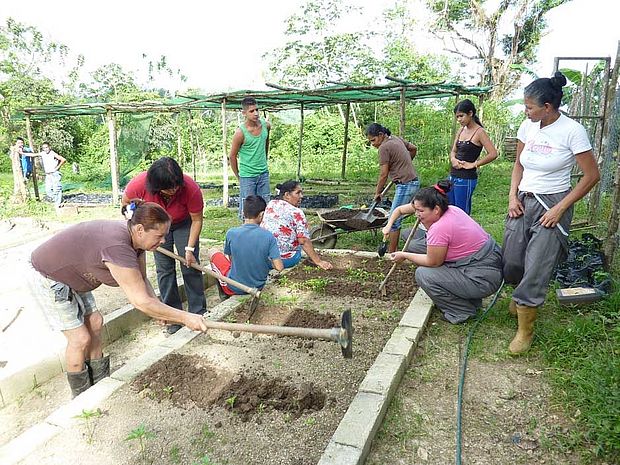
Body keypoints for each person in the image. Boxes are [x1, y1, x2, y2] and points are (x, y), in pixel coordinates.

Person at [29, 200, 208, 398]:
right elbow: (139, 301)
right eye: (160, 235)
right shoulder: (117, 246)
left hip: (76, 274)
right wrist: (185, 317)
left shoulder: (136, 241)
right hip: (50, 276)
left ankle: (100, 384)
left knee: (95, 323)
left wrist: (158, 308)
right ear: (140, 229)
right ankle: (81, 398)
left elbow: (141, 280)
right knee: (80, 338)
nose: (164, 241)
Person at [502, 72, 600, 354]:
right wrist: (512, 196)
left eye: (530, 106)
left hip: (553, 202)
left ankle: (525, 329)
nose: (526, 111)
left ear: (548, 107)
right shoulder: (527, 126)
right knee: (511, 259)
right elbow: (519, 165)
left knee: (538, 264)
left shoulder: (572, 131)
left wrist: (560, 208)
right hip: (524, 199)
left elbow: (591, 176)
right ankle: (519, 294)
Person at [382, 180, 503, 324]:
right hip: (482, 263)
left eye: (421, 211)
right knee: (413, 242)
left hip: (483, 277)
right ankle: (468, 297)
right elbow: (400, 210)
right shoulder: (451, 209)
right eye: (415, 210)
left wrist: (404, 255)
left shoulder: (440, 228)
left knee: (424, 275)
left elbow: (433, 262)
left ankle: (461, 311)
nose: (416, 215)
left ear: (436, 209)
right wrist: (389, 226)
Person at [122, 157, 206, 334]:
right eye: (169, 188)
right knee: (165, 270)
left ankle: (198, 312)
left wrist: (189, 249)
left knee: (190, 266)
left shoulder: (191, 189)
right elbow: (126, 208)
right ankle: (172, 317)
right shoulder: (138, 185)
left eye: (176, 186)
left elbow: (197, 220)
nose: (174, 190)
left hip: (184, 224)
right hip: (155, 228)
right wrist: (141, 234)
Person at [208, 195, 284, 298]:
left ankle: (223, 293)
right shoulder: (268, 236)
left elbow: (230, 258)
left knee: (212, 251)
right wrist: (265, 262)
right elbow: (279, 267)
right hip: (258, 286)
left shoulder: (231, 233)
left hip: (234, 286)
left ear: (243, 213)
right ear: (262, 214)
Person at [366, 123, 420, 253]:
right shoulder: (396, 138)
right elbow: (413, 148)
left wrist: (378, 193)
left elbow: (383, 174)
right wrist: (404, 163)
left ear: (380, 135)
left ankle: (392, 253)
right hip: (412, 181)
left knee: (394, 220)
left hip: (405, 184)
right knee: (403, 214)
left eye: (373, 140)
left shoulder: (384, 148)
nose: (372, 144)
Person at [261, 180, 333, 270]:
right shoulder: (297, 212)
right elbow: (303, 241)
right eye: (298, 193)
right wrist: (318, 261)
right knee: (298, 247)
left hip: (263, 257)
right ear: (287, 195)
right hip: (284, 259)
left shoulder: (271, 204)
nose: (301, 196)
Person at [448, 99, 498, 215]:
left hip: (466, 178)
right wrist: (453, 159)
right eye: (457, 117)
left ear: (470, 113)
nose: (459, 119)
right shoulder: (461, 130)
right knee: (450, 209)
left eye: (461, 116)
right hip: (453, 175)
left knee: (462, 213)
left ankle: (465, 233)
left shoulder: (480, 132)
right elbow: (453, 151)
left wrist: (474, 164)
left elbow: (493, 154)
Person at [229, 97, 272, 220]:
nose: (256, 113)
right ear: (244, 113)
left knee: (265, 205)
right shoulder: (240, 133)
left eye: (257, 110)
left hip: (263, 173)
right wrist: (239, 176)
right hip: (247, 176)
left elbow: (266, 142)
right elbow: (232, 156)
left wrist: (264, 159)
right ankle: (246, 234)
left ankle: (263, 234)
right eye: (252, 111)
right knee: (248, 209)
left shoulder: (266, 126)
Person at [36, 141, 66, 209]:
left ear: (49, 147)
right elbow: (34, 154)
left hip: (54, 174)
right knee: (48, 190)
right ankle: (58, 200)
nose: (45, 149)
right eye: (44, 148)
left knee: (57, 189)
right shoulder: (43, 154)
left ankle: (58, 203)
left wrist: (57, 168)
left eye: (46, 147)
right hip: (48, 175)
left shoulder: (53, 153)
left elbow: (63, 160)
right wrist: (23, 153)